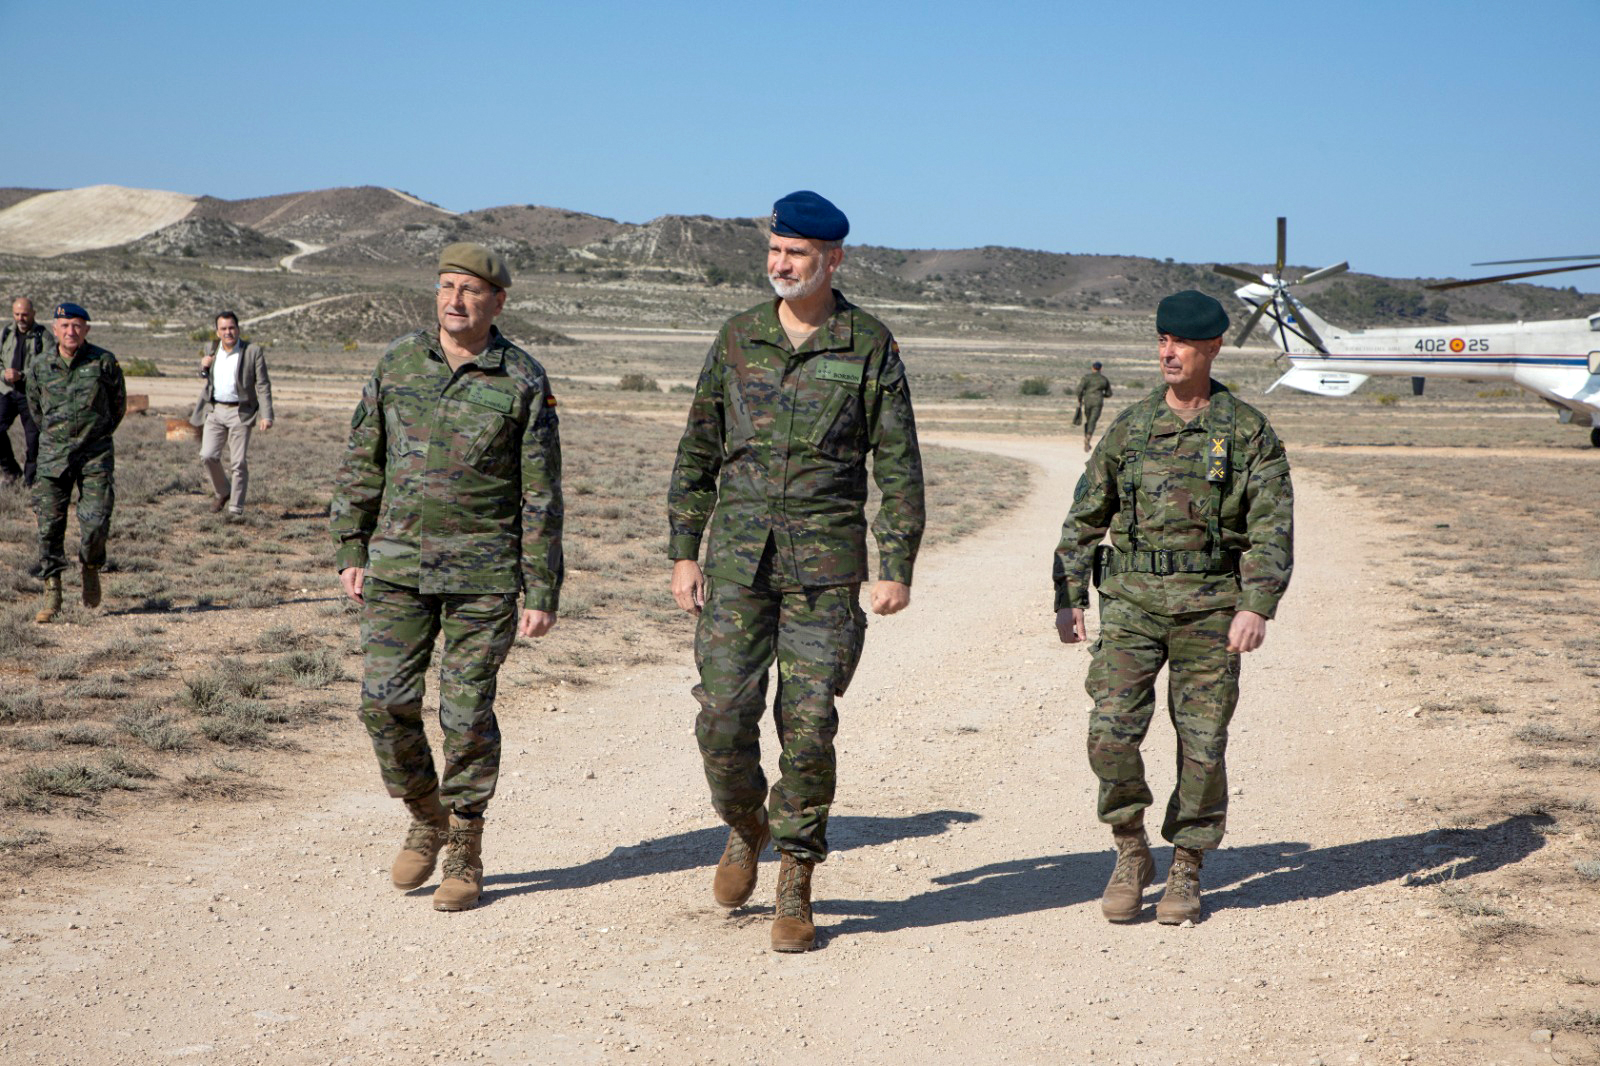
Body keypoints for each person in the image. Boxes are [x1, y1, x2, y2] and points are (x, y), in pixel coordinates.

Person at [668, 191, 926, 952]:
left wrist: (895, 564)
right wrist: (683, 549)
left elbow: (898, 463)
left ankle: (796, 878)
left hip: (824, 569)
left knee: (808, 729)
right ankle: (747, 822)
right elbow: (698, 448)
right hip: (737, 563)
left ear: (833, 259)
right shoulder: (738, 336)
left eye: (798, 253)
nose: (782, 264)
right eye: (775, 250)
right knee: (722, 718)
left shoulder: (868, 344)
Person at [330, 243, 563, 912]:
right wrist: (351, 543)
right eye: (446, 286)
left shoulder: (521, 377)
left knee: (465, 713)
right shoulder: (398, 362)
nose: (455, 300)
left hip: (483, 575)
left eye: (470, 289)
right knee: (383, 703)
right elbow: (363, 456)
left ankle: (464, 842)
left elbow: (541, 493)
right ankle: (425, 813)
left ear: (498, 301)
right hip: (396, 565)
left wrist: (542, 587)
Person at [1053, 290, 1293, 925]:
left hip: (1211, 610)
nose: (1168, 352)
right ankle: (1131, 849)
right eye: (1162, 340)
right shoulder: (1131, 427)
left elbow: (1272, 528)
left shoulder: (1246, 432)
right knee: (1109, 734)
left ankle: (1187, 862)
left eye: (1181, 342)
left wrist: (1257, 605)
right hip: (1131, 605)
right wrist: (1069, 596)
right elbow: (1083, 517)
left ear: (1212, 348)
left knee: (1203, 743)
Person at [26, 302, 125, 622]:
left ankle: (90, 567)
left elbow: (118, 406)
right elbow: (35, 409)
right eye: (65, 325)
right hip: (53, 457)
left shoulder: (103, 362)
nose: (71, 331)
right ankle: (52, 593)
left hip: (95, 455)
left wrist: (95, 434)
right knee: (49, 527)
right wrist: (57, 437)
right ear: (55, 329)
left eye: (77, 325)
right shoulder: (40, 365)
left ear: (86, 330)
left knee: (96, 520)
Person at [190, 310, 274, 516]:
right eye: (223, 329)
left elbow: (262, 384)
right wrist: (203, 367)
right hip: (215, 409)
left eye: (231, 328)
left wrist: (266, 415)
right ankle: (223, 491)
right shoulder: (211, 349)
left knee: (238, 462)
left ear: (238, 329)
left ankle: (236, 509)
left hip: (241, 412)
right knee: (207, 455)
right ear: (217, 332)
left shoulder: (252, 351)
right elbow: (205, 377)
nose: (228, 332)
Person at [0, 297, 46, 487]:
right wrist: (4, 374)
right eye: (17, 314)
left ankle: (30, 481)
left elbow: (48, 366)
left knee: (33, 440)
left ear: (33, 314)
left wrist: (23, 375)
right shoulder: (6, 334)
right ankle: (11, 471)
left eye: (25, 314)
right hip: (7, 391)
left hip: (31, 395)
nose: (21, 318)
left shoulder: (43, 337)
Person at [1075, 360, 1113, 451]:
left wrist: (1080, 399)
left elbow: (1079, 390)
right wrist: (1101, 395)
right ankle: (1088, 437)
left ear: (1092, 368)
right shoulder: (1104, 379)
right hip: (1098, 402)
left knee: (1088, 420)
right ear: (1101, 368)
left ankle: (1087, 438)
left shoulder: (1086, 378)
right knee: (1093, 420)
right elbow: (1109, 393)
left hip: (1087, 401)